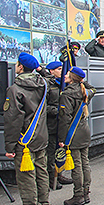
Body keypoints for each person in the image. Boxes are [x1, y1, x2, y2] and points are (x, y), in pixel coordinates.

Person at [3, 53, 50, 205]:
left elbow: (13, 120)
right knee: (41, 173)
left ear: (20, 67)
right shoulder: (43, 84)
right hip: (41, 137)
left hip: (25, 141)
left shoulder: (15, 89)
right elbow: (49, 76)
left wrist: (9, 146)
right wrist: (40, 69)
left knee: (27, 178)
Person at [58, 66, 96, 205]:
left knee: (77, 165)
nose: (65, 75)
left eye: (68, 74)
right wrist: (82, 81)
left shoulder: (67, 94)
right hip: (84, 130)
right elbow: (93, 89)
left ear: (72, 78)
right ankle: (86, 193)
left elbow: (65, 118)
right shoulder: (85, 91)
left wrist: (62, 139)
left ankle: (78, 195)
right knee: (85, 162)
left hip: (73, 132)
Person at [39, 61, 70, 190]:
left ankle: (59, 173)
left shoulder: (65, 83)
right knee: (51, 153)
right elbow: (42, 106)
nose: (62, 71)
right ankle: (52, 178)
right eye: (58, 69)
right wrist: (57, 110)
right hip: (52, 124)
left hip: (63, 124)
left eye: (62, 68)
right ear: (51, 71)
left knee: (61, 151)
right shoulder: (47, 85)